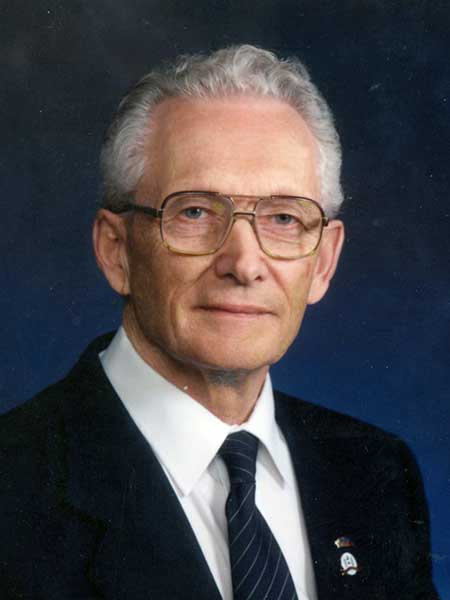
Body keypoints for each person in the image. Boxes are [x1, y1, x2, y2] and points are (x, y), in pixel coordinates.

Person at [0, 45, 438, 599]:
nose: (244, 264)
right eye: (195, 212)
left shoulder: (377, 472)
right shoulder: (15, 490)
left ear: (324, 261)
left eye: (284, 218)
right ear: (117, 251)